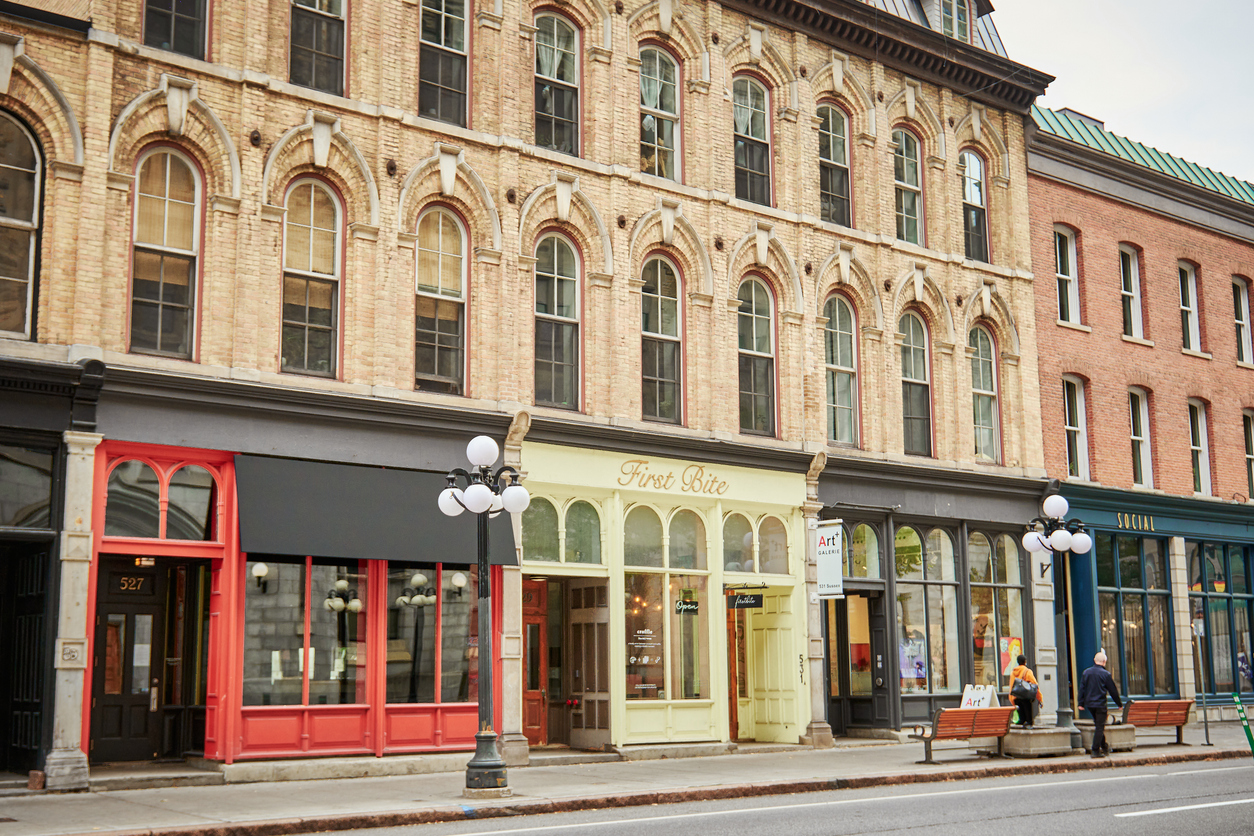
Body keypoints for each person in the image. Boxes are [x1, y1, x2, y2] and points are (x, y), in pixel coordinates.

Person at [1079, 650, 1123, 758]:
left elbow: (1082, 689)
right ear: (1104, 662)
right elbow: (1113, 691)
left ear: (1094, 660)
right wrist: (1119, 704)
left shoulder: (1086, 672)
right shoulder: (1106, 674)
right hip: (1100, 704)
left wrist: (1081, 703)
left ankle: (1104, 747)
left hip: (1090, 704)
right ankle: (1095, 750)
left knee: (1099, 725)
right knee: (1099, 727)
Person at [1009, 654, 1043, 728]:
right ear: (1025, 662)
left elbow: (1011, 686)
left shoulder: (1013, 672)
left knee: (1021, 719)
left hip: (1016, 697)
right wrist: (1040, 698)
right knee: (1029, 720)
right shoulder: (1027, 671)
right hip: (1025, 697)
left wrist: (1012, 699)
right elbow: (1035, 685)